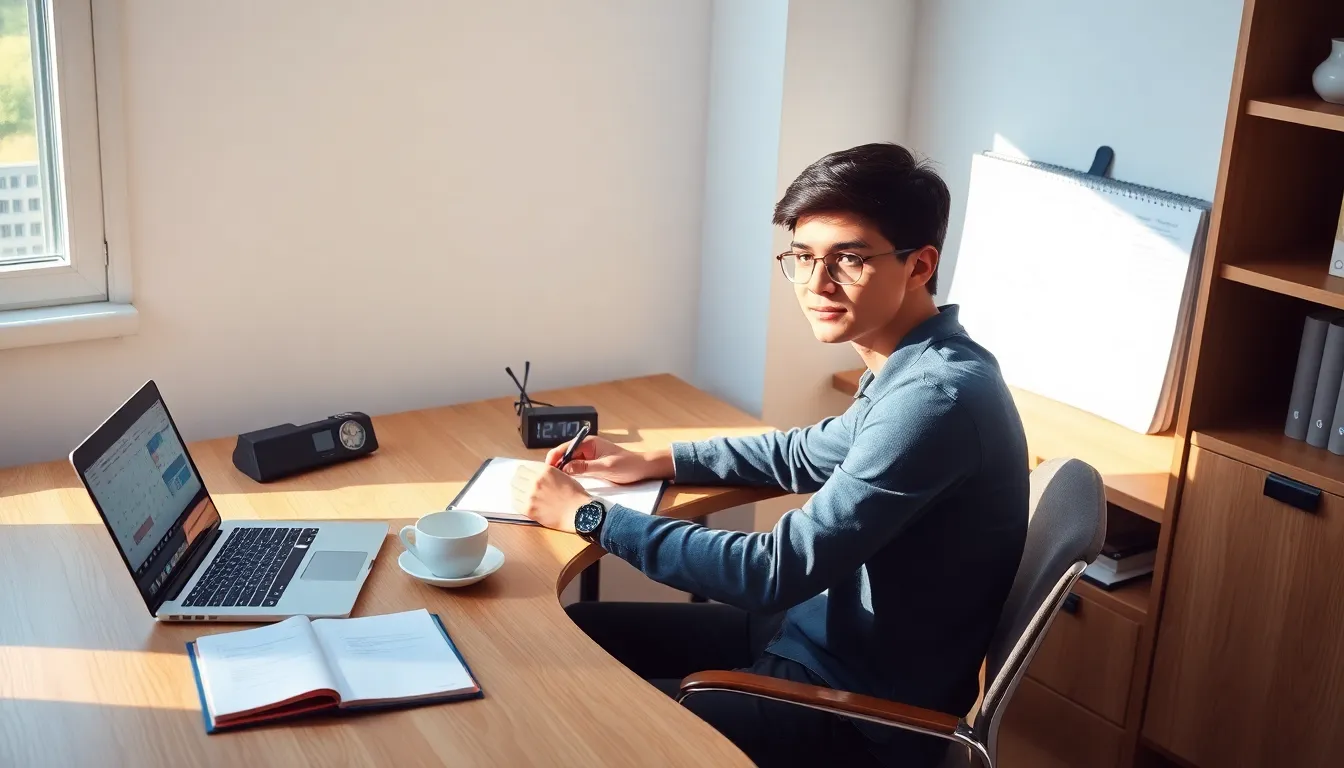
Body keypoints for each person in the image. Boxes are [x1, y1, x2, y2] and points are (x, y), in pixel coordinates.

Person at [509, 142, 1029, 768]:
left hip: (858, 709)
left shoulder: (933, 401)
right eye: (803, 258)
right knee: (579, 634)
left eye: (849, 259)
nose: (816, 285)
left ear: (919, 265)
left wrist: (588, 516)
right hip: (819, 633)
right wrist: (659, 460)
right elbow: (805, 451)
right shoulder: (916, 365)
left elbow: (772, 570)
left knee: (584, 716)